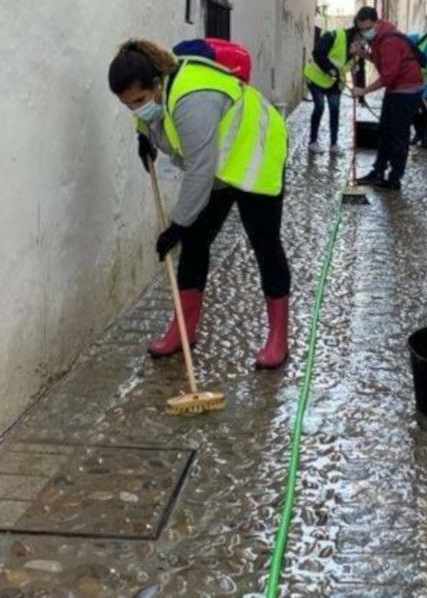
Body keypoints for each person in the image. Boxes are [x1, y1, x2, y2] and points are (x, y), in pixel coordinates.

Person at [107, 39, 292, 369]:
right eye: (128, 105)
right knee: (195, 241)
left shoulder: (192, 100)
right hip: (221, 162)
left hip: (256, 156)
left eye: (139, 100)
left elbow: (199, 169)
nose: (136, 108)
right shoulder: (159, 92)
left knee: (264, 244)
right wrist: (143, 136)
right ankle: (183, 329)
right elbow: (149, 118)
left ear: (157, 84)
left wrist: (177, 225)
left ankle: (278, 337)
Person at [350, 7, 425, 191]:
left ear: (376, 23)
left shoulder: (388, 41)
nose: (364, 33)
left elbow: (388, 75)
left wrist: (364, 91)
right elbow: (381, 62)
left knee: (398, 135)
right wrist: (363, 54)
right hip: (396, 89)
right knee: (384, 131)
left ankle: (394, 179)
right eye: (361, 29)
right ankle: (378, 172)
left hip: (406, 91)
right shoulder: (380, 36)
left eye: (367, 28)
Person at [302, 26, 361, 155]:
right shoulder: (336, 36)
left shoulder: (356, 52)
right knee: (320, 107)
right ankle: (313, 142)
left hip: (334, 83)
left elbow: (355, 71)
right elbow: (317, 52)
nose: (362, 44)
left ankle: (334, 144)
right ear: (356, 35)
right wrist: (330, 69)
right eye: (361, 40)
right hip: (315, 77)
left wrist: (359, 91)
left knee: (334, 109)